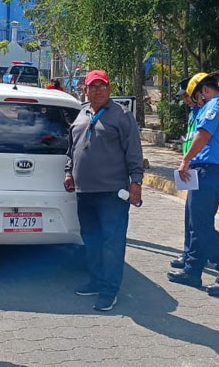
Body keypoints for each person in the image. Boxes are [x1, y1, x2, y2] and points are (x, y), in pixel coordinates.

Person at [64, 70, 144, 312]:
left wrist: (136, 182)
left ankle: (110, 290)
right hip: (84, 191)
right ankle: (96, 281)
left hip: (112, 192)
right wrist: (69, 172)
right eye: (92, 87)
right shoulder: (81, 113)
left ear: (109, 89)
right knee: (91, 239)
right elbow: (72, 148)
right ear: (85, 90)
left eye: (102, 86)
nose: (97, 90)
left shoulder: (122, 116)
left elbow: (133, 150)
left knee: (112, 242)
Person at [167, 72, 219, 297]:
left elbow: (203, 135)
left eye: (196, 97)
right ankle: (192, 271)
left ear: (204, 91)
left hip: (207, 172)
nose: (195, 102)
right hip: (213, 172)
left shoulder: (215, 107)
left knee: (201, 226)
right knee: (196, 222)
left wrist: (186, 160)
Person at [170, 77, 200, 270]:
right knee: (191, 216)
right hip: (192, 170)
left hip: (199, 168)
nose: (185, 100)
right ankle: (189, 252)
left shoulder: (205, 112)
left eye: (187, 95)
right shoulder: (193, 113)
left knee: (197, 218)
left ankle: (197, 254)